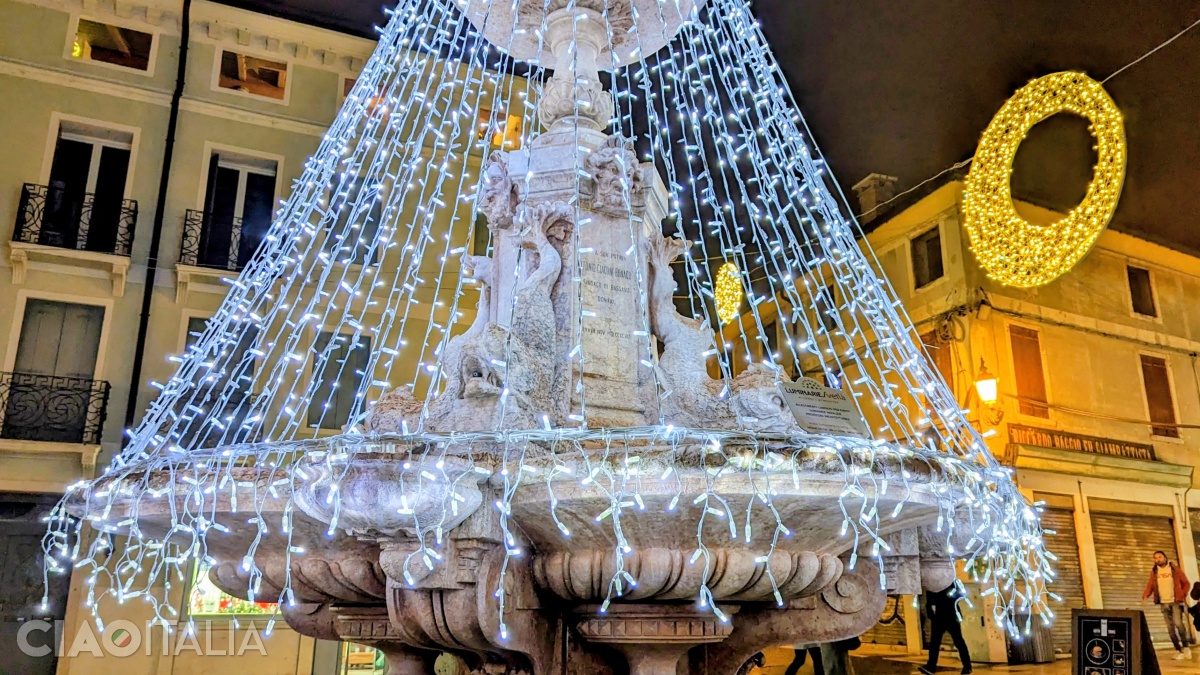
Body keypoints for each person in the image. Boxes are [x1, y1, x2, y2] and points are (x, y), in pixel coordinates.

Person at [1142, 550, 1192, 659]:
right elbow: (1150, 585)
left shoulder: (1174, 569)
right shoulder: (1154, 572)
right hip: (1163, 603)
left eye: (1159, 557)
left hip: (1175, 602)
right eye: (1155, 558)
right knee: (1170, 628)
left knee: (1179, 624)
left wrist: (1182, 595)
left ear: (1165, 557)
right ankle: (1178, 649)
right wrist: (1145, 595)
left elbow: (1186, 583)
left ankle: (1186, 647)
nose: (1157, 559)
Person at [918, 584, 971, 675]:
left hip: (950, 615)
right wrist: (931, 614)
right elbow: (929, 601)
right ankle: (931, 667)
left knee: (957, 641)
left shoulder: (949, 582)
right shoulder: (934, 584)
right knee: (935, 643)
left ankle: (967, 666)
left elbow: (960, 594)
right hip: (940, 617)